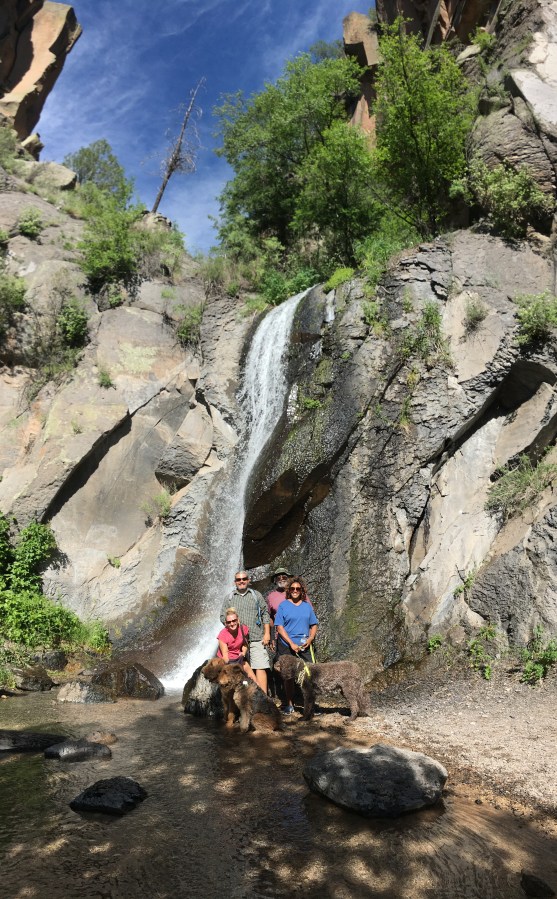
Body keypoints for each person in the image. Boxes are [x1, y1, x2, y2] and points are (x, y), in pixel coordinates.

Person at [220, 570, 271, 693]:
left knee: (260, 667)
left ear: (248, 580)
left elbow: (265, 613)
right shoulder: (229, 598)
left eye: (244, 579)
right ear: (235, 582)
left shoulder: (256, 595)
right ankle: (245, 698)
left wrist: (267, 633)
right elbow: (222, 617)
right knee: (241, 669)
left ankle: (263, 698)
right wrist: (233, 631)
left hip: (256, 637)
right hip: (237, 642)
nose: (241, 581)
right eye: (238, 579)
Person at [274, 577, 318, 714]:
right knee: (288, 676)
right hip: (287, 645)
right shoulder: (283, 606)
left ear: (302, 591)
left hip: (304, 645)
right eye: (292, 589)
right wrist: (291, 643)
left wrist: (310, 639)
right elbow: (279, 627)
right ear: (288, 590)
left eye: (297, 589)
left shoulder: (306, 606)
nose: (295, 591)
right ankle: (289, 704)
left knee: (310, 675)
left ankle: (310, 705)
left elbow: (314, 625)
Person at [216, 607, 257, 683]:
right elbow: (225, 656)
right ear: (226, 623)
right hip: (228, 662)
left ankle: (260, 692)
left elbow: (245, 644)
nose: (232, 623)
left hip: (239, 658)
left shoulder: (243, 629)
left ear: (238, 620)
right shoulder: (223, 635)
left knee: (254, 680)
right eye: (229, 622)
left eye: (234, 620)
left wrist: (243, 653)